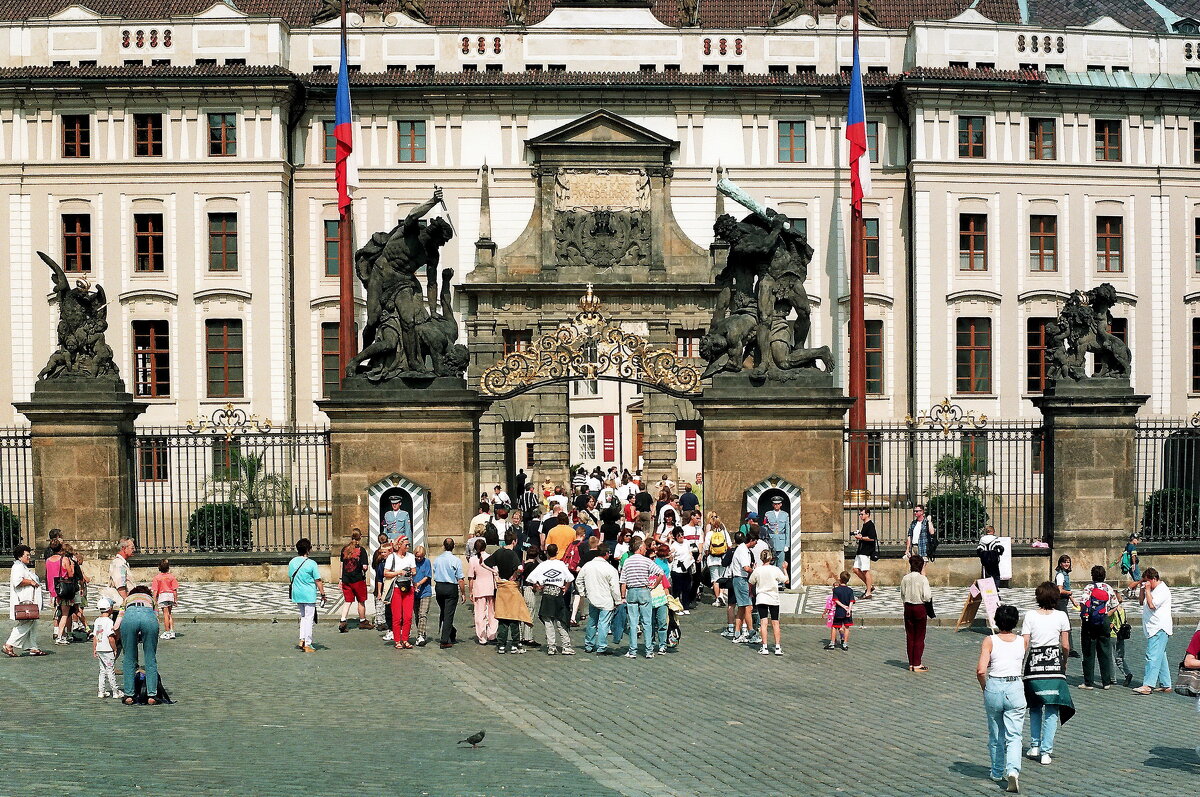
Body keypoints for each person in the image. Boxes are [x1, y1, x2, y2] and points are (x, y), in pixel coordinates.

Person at [1022, 581, 1075, 765]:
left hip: (1034, 665)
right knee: (1052, 707)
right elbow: (1066, 645)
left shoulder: (1029, 616)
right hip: (1054, 664)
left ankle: (1035, 744)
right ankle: (1046, 751)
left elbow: (1025, 643)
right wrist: (1065, 661)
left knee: (1035, 706)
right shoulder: (1061, 616)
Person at [976, 604, 1027, 793]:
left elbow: (981, 670)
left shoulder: (989, 641)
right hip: (1014, 685)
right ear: (1015, 622)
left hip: (995, 685)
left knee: (995, 733)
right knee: (1014, 735)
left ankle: (997, 770)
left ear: (997, 621)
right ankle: (1013, 770)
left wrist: (985, 688)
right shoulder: (1022, 641)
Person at [117, 586, 164, 705]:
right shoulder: (151, 599)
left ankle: (129, 695)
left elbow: (120, 617)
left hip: (130, 617)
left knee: (129, 658)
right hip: (149, 617)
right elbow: (156, 618)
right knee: (150, 657)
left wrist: (115, 631)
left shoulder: (127, 599)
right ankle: (152, 695)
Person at [526, 544, 575, 655]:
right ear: (557, 552)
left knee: (548, 622)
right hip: (558, 593)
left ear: (547, 553)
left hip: (547, 594)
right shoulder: (561, 564)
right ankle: (566, 645)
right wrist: (565, 589)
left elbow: (530, 578)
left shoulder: (542, 565)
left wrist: (539, 586)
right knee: (560, 621)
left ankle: (551, 646)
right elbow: (570, 578)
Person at [1132, 568, 1173, 695]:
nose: (1146, 583)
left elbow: (1152, 605)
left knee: (1152, 656)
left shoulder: (1162, 590)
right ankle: (1166, 684)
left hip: (1159, 628)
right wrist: (1142, 589)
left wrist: (1148, 590)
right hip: (1152, 628)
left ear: (1154, 579)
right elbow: (1141, 602)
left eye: (1148, 581)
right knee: (1160, 656)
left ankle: (1148, 685)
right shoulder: (1151, 589)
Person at [484, 538, 529, 654]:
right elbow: (520, 568)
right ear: (514, 541)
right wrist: (514, 575)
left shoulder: (499, 552)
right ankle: (515, 645)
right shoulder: (513, 554)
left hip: (501, 587)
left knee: (502, 618)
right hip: (511, 586)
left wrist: (495, 573)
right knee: (514, 617)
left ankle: (501, 645)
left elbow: (484, 563)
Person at [577, 544, 621, 655]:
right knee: (603, 624)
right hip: (606, 600)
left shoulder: (588, 565)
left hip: (592, 598)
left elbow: (579, 580)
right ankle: (601, 647)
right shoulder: (611, 569)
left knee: (592, 622)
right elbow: (615, 588)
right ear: (606, 554)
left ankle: (589, 645)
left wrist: (583, 593)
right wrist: (618, 600)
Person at [5, 545, 46, 658]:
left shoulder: (22, 566)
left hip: (29, 599)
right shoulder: (17, 567)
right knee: (27, 622)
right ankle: (9, 644)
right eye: (27, 555)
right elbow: (17, 581)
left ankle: (33, 647)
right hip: (24, 600)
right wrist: (31, 582)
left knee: (33, 622)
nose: (29, 557)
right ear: (20, 556)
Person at [1078, 565, 1116, 690]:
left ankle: (1088, 682)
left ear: (1092, 575)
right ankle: (1106, 682)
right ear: (1104, 576)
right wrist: (1106, 614)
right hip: (1103, 620)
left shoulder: (1089, 587)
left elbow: (1082, 604)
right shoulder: (1108, 588)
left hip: (1090, 622)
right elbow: (1115, 605)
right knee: (1104, 651)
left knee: (1088, 651)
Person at [620, 540, 657, 659]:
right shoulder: (646, 561)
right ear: (640, 548)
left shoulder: (627, 561)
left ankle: (632, 650)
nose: (646, 550)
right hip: (644, 590)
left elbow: (623, 581)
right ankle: (648, 650)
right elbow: (660, 572)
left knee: (633, 622)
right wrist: (654, 585)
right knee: (647, 622)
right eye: (645, 548)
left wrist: (622, 596)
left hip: (631, 591)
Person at [288, 538, 325, 653]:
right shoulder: (311, 563)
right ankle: (308, 643)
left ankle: (302, 639)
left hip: (297, 592)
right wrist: (322, 593)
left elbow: (290, 577)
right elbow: (318, 580)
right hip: (308, 593)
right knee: (309, 618)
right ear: (308, 550)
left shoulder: (292, 562)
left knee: (303, 616)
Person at [750, 548, 785, 655]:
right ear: (771, 558)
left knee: (763, 623)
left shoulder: (758, 570)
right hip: (773, 598)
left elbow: (751, 581)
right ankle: (777, 647)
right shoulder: (775, 570)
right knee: (775, 623)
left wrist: (754, 568)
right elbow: (785, 580)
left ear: (761, 558)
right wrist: (785, 569)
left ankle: (764, 647)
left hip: (762, 598)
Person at [385, 536, 418, 650]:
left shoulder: (411, 557)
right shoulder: (391, 557)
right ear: (399, 545)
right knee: (397, 616)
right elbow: (386, 573)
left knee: (408, 616)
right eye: (406, 545)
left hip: (408, 588)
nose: (408, 547)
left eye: (409, 545)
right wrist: (398, 572)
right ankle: (397, 640)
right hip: (396, 588)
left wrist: (410, 572)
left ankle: (405, 639)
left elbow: (414, 571)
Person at [900, 554, 931, 672]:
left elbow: (902, 594)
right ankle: (917, 663)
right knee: (919, 636)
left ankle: (911, 663)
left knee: (910, 636)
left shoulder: (905, 578)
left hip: (908, 606)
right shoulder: (923, 579)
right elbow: (927, 596)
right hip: (919, 607)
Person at [432, 537, 465, 648]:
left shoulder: (437, 559)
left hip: (439, 587)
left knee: (444, 611)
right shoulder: (456, 560)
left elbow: (435, 572)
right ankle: (444, 640)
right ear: (453, 547)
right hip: (451, 587)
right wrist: (463, 593)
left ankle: (451, 632)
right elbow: (460, 578)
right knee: (448, 614)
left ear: (443, 546)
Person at [337, 531, 370, 633]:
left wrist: (340, 579)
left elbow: (342, 565)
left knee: (347, 601)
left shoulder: (344, 549)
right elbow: (365, 566)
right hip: (358, 579)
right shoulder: (361, 550)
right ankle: (362, 621)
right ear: (360, 538)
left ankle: (343, 620)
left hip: (346, 579)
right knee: (361, 601)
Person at [467, 538, 498, 645]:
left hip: (479, 588)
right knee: (492, 613)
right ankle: (492, 635)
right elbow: (495, 573)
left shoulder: (472, 560)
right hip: (490, 587)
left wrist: (470, 591)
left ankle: (482, 637)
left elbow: (471, 577)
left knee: (479, 613)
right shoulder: (490, 557)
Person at [92, 597, 122, 699]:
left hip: (100, 648)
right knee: (110, 670)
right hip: (107, 649)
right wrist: (114, 648)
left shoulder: (97, 621)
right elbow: (111, 638)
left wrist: (95, 648)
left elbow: (95, 636)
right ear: (110, 609)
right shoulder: (109, 622)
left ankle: (101, 691)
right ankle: (115, 691)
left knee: (102, 671)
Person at [1053, 555, 1080, 658]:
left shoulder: (1065, 574)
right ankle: (1069, 648)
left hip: (1064, 601)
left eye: (1068, 562)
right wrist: (1069, 592)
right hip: (1060, 602)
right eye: (1064, 562)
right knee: (1066, 625)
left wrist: (1073, 601)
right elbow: (1060, 590)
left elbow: (1068, 590)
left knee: (1064, 625)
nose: (1066, 564)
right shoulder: (1060, 575)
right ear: (1060, 564)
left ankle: (1068, 647)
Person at [703, 514, 729, 607]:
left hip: (712, 559)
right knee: (722, 578)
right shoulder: (724, 533)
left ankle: (718, 598)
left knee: (715, 580)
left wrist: (707, 554)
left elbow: (706, 547)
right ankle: (721, 595)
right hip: (723, 558)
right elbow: (729, 545)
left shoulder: (710, 534)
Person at [518, 546, 542, 648]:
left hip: (522, 589)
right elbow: (533, 580)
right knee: (530, 613)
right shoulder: (533, 565)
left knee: (522, 613)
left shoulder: (524, 564)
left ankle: (521, 636)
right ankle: (528, 638)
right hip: (529, 589)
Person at [763, 496, 790, 585]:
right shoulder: (768, 514)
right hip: (771, 541)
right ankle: (772, 582)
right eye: (775, 504)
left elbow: (787, 530)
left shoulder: (785, 515)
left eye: (778, 504)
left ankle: (781, 583)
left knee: (781, 563)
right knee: (771, 562)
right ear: (772, 505)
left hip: (781, 542)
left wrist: (787, 544)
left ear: (781, 504)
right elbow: (765, 527)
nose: (776, 505)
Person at [668, 529, 695, 613]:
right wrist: (670, 553)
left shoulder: (686, 542)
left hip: (686, 568)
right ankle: (676, 607)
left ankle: (686, 607)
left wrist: (690, 557)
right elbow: (670, 559)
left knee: (686, 589)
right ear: (676, 537)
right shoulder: (674, 546)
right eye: (679, 535)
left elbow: (690, 551)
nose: (681, 537)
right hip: (677, 570)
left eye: (682, 534)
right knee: (677, 590)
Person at [851, 509, 877, 598]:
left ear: (867, 514)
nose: (860, 516)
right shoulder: (865, 525)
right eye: (860, 514)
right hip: (861, 550)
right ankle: (870, 585)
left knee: (865, 570)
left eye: (862, 514)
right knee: (855, 569)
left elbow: (872, 538)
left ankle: (868, 592)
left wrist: (861, 538)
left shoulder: (870, 525)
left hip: (866, 551)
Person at [827, 571, 855, 651]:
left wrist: (843, 606)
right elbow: (851, 601)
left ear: (840, 579)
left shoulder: (836, 590)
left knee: (834, 627)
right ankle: (845, 644)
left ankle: (832, 643)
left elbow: (836, 600)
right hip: (847, 612)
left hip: (839, 611)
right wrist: (848, 609)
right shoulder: (850, 590)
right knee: (846, 627)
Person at [151, 559, 179, 640]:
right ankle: (172, 631)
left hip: (163, 595)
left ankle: (167, 631)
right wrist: (175, 599)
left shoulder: (157, 578)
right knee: (170, 614)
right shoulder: (171, 577)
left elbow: (155, 590)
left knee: (165, 614)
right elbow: (174, 589)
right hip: (170, 595)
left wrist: (154, 600)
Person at [411, 546, 433, 646]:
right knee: (417, 614)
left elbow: (428, 576)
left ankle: (421, 635)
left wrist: (418, 584)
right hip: (414, 592)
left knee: (423, 613)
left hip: (425, 591)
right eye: (417, 557)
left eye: (420, 557)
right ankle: (421, 632)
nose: (419, 559)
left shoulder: (427, 562)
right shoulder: (412, 562)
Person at [372, 534, 393, 633]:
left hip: (379, 580)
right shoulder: (384, 557)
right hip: (383, 581)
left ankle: (380, 621)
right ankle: (383, 622)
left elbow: (372, 565)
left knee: (379, 602)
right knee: (384, 603)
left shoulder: (377, 553)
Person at [108, 538, 135, 603]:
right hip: (121, 602)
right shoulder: (119, 564)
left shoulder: (123, 563)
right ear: (124, 548)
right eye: (132, 548)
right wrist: (126, 600)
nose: (134, 550)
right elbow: (120, 585)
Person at [1120, 533, 1141, 598]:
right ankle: (1127, 590)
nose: (1138, 541)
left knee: (1135, 579)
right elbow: (1133, 556)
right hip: (1132, 564)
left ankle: (1133, 594)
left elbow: (1123, 553)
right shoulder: (1132, 547)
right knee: (1138, 580)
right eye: (1137, 539)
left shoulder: (1127, 546)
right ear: (1133, 539)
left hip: (1129, 565)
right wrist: (1134, 564)